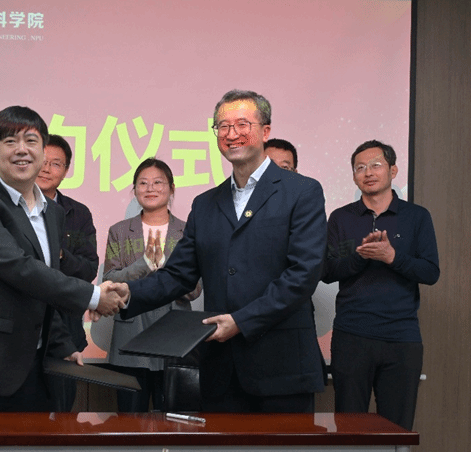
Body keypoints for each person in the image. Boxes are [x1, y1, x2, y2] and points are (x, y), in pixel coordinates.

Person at [112, 89, 327, 413]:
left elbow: (303, 274)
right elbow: (178, 275)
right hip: (221, 371)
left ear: (265, 131)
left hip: (282, 368)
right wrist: (126, 294)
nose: (231, 133)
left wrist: (241, 321)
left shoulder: (302, 191)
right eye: (223, 126)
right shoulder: (205, 204)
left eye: (242, 124)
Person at [0, 106, 124, 412]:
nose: (22, 150)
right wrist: (94, 296)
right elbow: (19, 268)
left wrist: (61, 344)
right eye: (10, 141)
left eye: (31, 141)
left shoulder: (53, 213)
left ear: (43, 152)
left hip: (32, 367)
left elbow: (42, 285)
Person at [322, 139, 439, 430]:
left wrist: (392, 257)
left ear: (393, 170)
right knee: (349, 429)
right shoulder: (341, 218)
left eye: (375, 165)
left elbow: (430, 272)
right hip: (351, 336)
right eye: (360, 168)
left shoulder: (417, 216)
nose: (368, 172)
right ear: (353, 176)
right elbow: (327, 271)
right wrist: (360, 257)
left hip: (401, 337)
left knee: (397, 430)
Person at [103, 158, 201, 412]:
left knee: (173, 421)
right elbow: (109, 281)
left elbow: (195, 289)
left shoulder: (188, 232)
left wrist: (169, 270)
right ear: (134, 189)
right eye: (143, 183)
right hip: (131, 335)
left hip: (174, 336)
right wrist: (144, 265)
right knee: (129, 421)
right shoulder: (119, 232)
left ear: (172, 188)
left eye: (158, 182)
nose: (150, 188)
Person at [36, 134, 99, 412]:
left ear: (66, 171)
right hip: (22, 328)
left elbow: (89, 268)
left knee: (63, 412)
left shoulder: (79, 214)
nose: (46, 169)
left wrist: (60, 255)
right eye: (42, 161)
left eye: (56, 164)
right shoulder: (11, 209)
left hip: (66, 327)